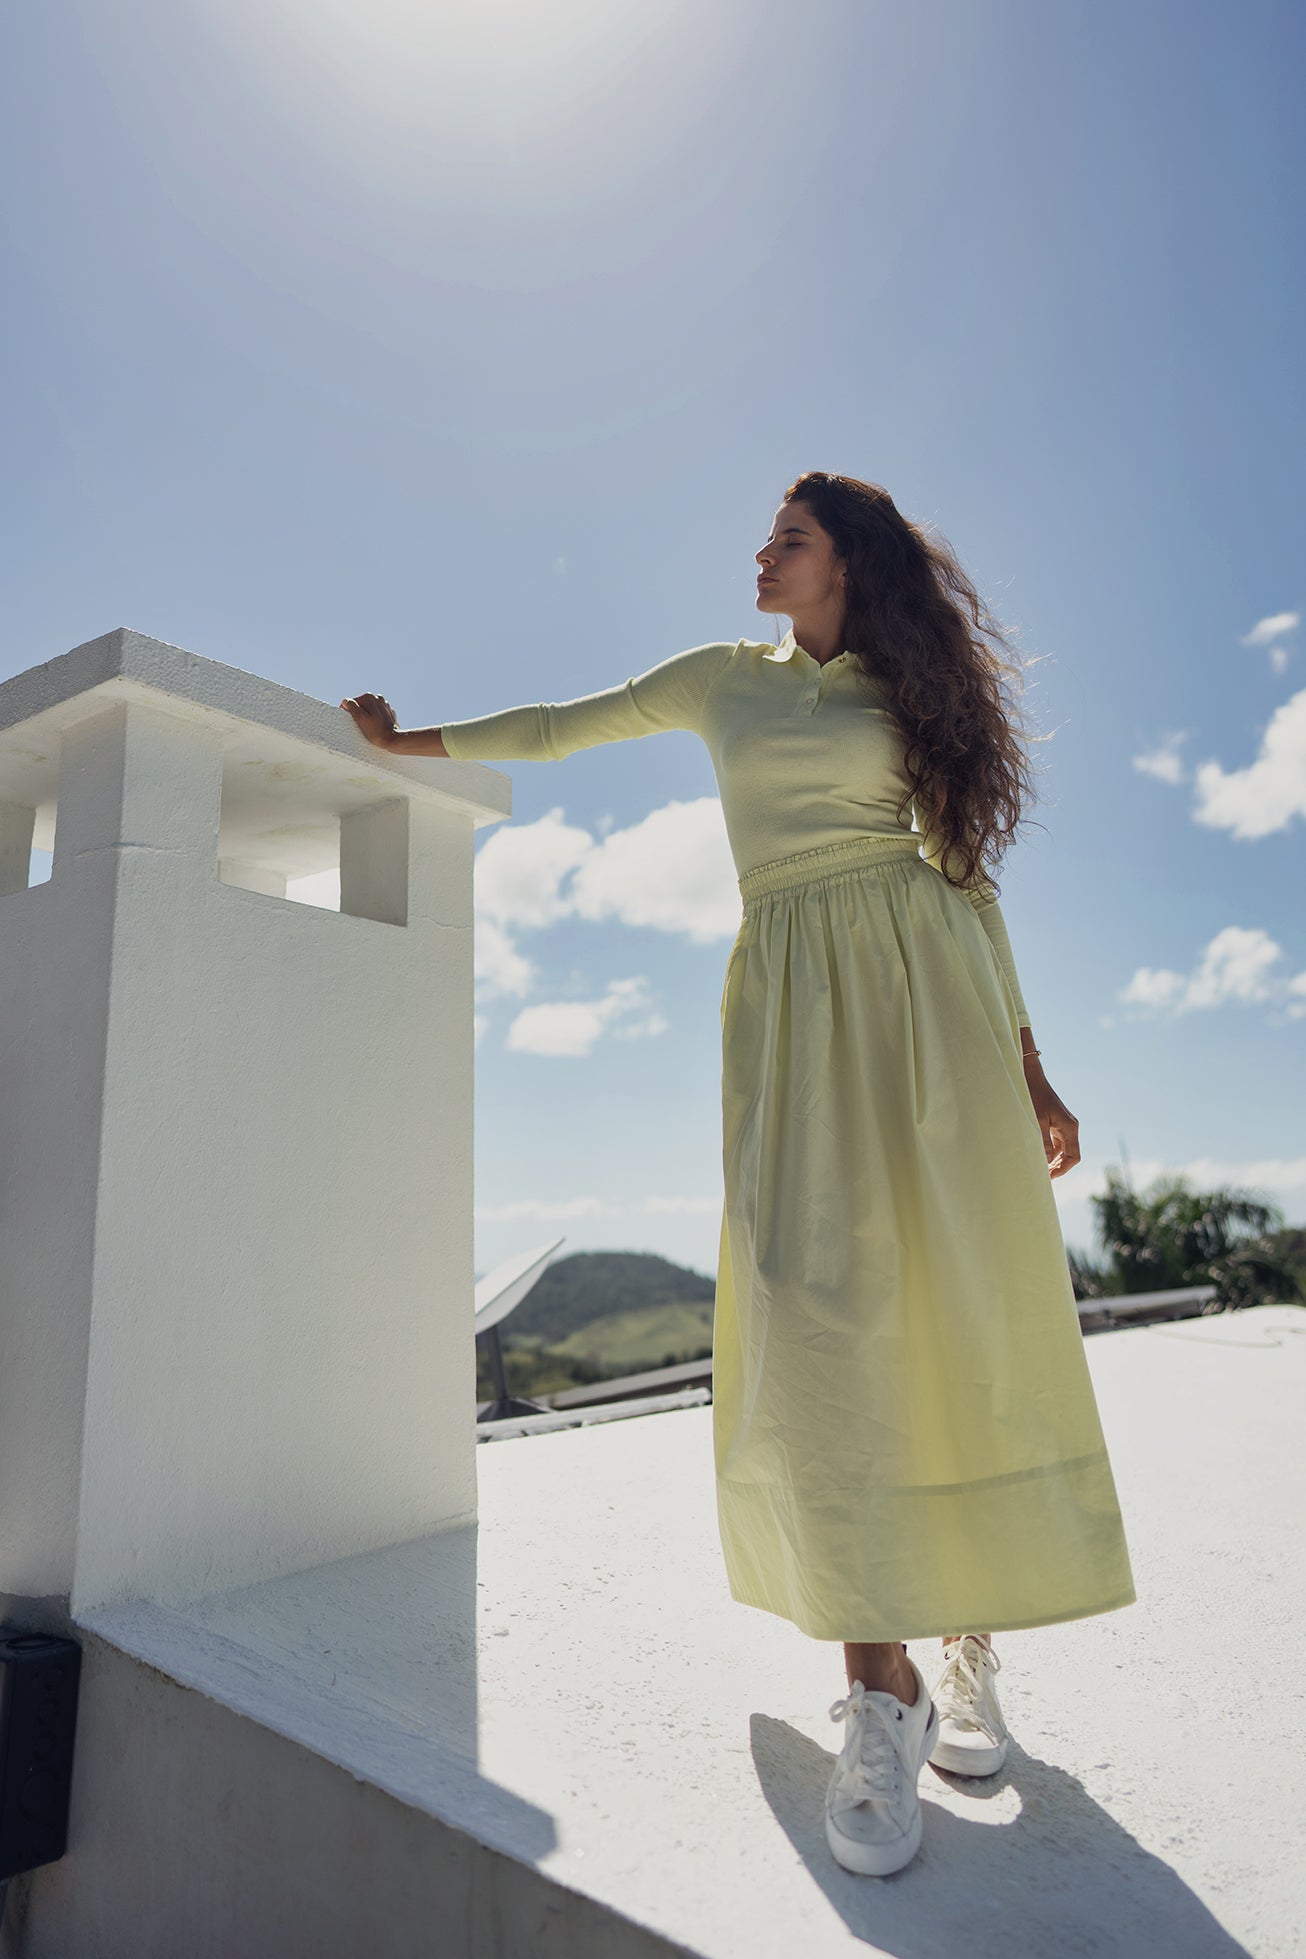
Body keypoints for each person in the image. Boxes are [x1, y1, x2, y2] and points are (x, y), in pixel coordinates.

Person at [341, 471, 1135, 1880]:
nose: (759, 554)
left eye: (789, 539)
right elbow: (567, 724)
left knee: (954, 1307)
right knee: (812, 1307)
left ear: (849, 566)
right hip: (794, 997)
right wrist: (415, 739)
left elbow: (964, 881)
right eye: (766, 537)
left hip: (931, 1002)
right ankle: (873, 1688)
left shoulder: (912, 694)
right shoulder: (722, 682)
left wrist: (1029, 1067)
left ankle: (958, 1647)